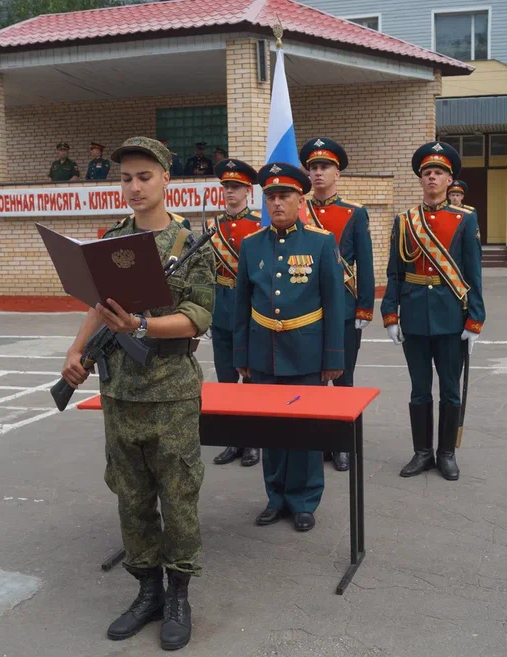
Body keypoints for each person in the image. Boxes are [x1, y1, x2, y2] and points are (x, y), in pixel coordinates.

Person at [60, 136, 214, 651]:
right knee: (131, 497)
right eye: (125, 178)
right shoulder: (111, 240)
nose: (133, 186)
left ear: (167, 178)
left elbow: (198, 315)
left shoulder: (189, 245)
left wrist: (144, 326)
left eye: (144, 176)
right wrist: (76, 352)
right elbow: (96, 306)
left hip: (170, 392)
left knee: (179, 496)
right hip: (121, 392)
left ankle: (178, 597)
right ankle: (146, 591)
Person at [233, 162, 345, 533]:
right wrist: (242, 356)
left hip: (307, 354)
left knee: (304, 434)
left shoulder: (320, 241)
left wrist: (333, 358)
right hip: (263, 352)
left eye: (285, 196)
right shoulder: (251, 245)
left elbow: (334, 304)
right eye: (271, 197)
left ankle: (304, 500)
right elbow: (241, 306)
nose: (277, 203)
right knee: (271, 433)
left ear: (301, 199)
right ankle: (275, 497)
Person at [380, 141, 485, 481]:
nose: (432, 178)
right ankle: (422, 452)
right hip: (414, 316)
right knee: (419, 389)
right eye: (427, 173)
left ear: (449, 179)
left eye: (438, 172)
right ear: (420, 179)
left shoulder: (465, 219)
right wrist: (390, 314)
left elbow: (473, 273)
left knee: (451, 390)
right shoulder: (405, 221)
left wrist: (475, 319)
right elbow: (394, 272)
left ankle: (446, 453)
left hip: (452, 317)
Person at [299, 137, 375, 472]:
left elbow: (367, 264)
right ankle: (319, 441)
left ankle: (342, 444)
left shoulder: (355, 213)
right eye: (313, 167)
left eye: (324, 167)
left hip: (343, 308)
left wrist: (364, 308)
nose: (317, 173)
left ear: (337, 172)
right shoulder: (299, 210)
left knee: (343, 379)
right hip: (307, 309)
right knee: (314, 380)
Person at [208, 158, 262, 467]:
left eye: (236, 187)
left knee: (251, 380)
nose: (230, 192)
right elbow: (205, 272)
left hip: (250, 312)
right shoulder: (211, 226)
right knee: (226, 380)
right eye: (227, 187)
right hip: (220, 310)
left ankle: (253, 442)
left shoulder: (257, 226)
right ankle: (233, 441)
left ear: (247, 191)